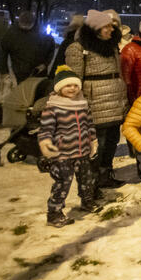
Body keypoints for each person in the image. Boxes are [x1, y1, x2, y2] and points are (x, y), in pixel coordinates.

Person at [65, 10, 128, 189]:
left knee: (111, 140)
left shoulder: (113, 46)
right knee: (96, 145)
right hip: (95, 103)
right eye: (106, 26)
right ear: (95, 29)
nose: (110, 29)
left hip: (114, 101)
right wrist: (78, 104)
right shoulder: (78, 49)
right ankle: (91, 182)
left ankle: (105, 174)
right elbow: (74, 81)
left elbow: (119, 73)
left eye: (110, 26)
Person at [37, 66, 100, 226]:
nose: (72, 89)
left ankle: (87, 202)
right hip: (62, 154)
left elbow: (89, 124)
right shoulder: (53, 107)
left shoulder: (82, 104)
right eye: (67, 85)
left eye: (75, 85)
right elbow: (45, 130)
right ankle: (54, 213)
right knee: (62, 182)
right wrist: (46, 144)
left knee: (87, 178)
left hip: (82, 151)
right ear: (59, 88)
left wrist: (93, 140)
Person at [0, 11, 55, 92]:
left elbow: (51, 49)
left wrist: (45, 63)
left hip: (39, 70)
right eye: (23, 25)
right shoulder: (11, 34)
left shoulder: (43, 34)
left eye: (28, 25)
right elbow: (3, 53)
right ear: (19, 22)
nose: (25, 27)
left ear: (33, 23)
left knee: (39, 91)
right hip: (21, 71)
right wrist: (4, 72)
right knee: (23, 92)